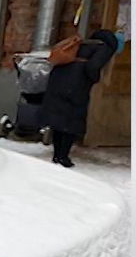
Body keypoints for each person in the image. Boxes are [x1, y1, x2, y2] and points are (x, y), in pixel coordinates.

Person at [42, 29, 123, 168]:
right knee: (72, 120)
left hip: (58, 79)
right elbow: (93, 66)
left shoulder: (86, 43)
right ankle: (63, 157)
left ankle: (57, 155)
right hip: (75, 85)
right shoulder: (106, 47)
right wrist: (94, 79)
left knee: (60, 120)